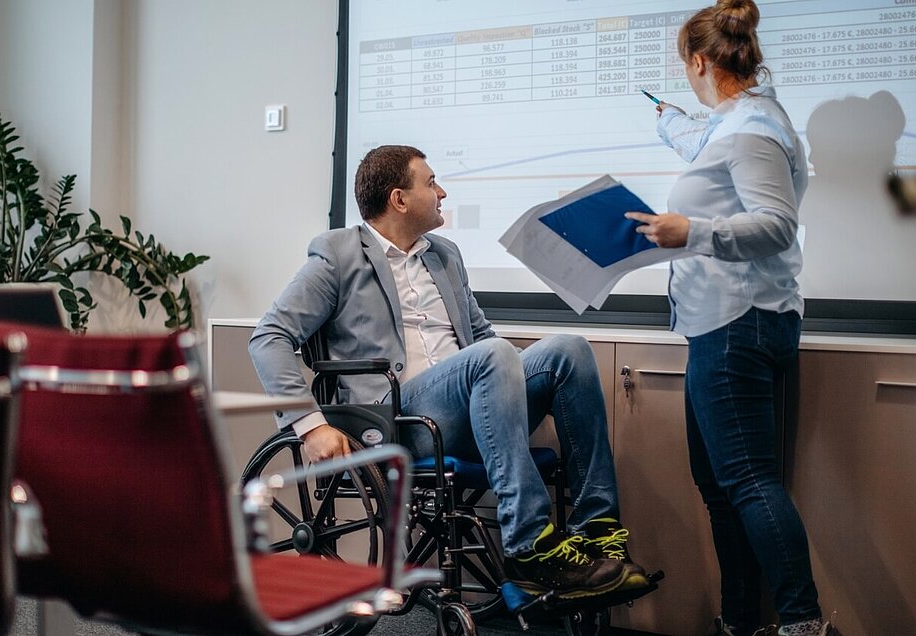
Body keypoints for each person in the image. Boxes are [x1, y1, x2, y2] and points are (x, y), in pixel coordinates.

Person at [250, 144, 648, 599]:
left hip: (473, 406)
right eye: (431, 182)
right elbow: (269, 338)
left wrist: (514, 369)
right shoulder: (336, 255)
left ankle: (597, 529)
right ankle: (528, 546)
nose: (442, 191)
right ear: (399, 199)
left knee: (568, 350)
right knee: (493, 355)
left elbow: (479, 336)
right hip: (397, 421)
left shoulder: (445, 255)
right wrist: (310, 426)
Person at [625, 1, 830, 635]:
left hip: (739, 322)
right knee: (719, 482)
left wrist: (694, 229)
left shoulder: (751, 129)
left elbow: (775, 224)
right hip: (719, 323)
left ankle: (803, 625)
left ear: (700, 61)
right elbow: (709, 145)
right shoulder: (739, 121)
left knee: (746, 481)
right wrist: (673, 122)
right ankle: (742, 621)